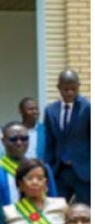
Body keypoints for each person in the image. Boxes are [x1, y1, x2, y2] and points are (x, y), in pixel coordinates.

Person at [0, 121, 58, 206]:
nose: (19, 143)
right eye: (13, 139)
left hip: (39, 214)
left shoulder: (43, 168)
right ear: (3, 141)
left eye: (24, 139)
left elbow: (53, 200)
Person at [43, 69, 91, 204]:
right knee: (55, 208)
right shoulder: (50, 110)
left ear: (78, 86)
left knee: (86, 211)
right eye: (65, 89)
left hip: (84, 171)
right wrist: (47, 169)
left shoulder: (88, 108)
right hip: (60, 171)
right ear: (59, 88)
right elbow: (49, 143)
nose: (70, 92)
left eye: (73, 89)